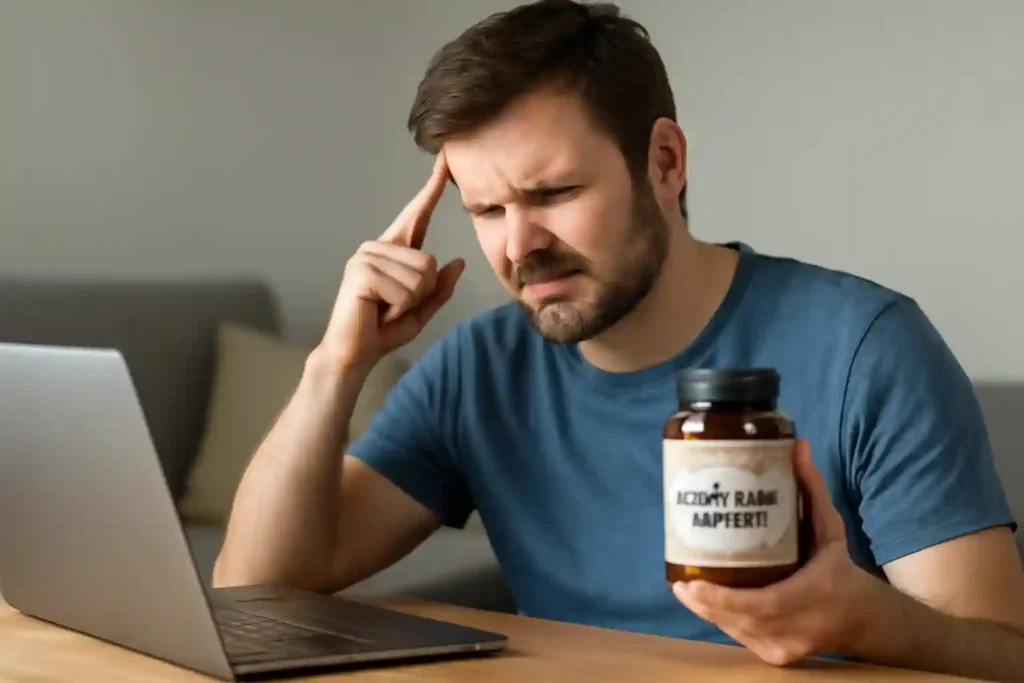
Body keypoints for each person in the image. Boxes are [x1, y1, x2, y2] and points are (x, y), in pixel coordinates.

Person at [213, 0, 1024, 679]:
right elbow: (255, 588)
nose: (517, 245)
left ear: (665, 162)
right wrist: (336, 364)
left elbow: (1003, 652)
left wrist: (862, 617)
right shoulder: (477, 370)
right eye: (487, 210)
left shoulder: (866, 345)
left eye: (554, 192)